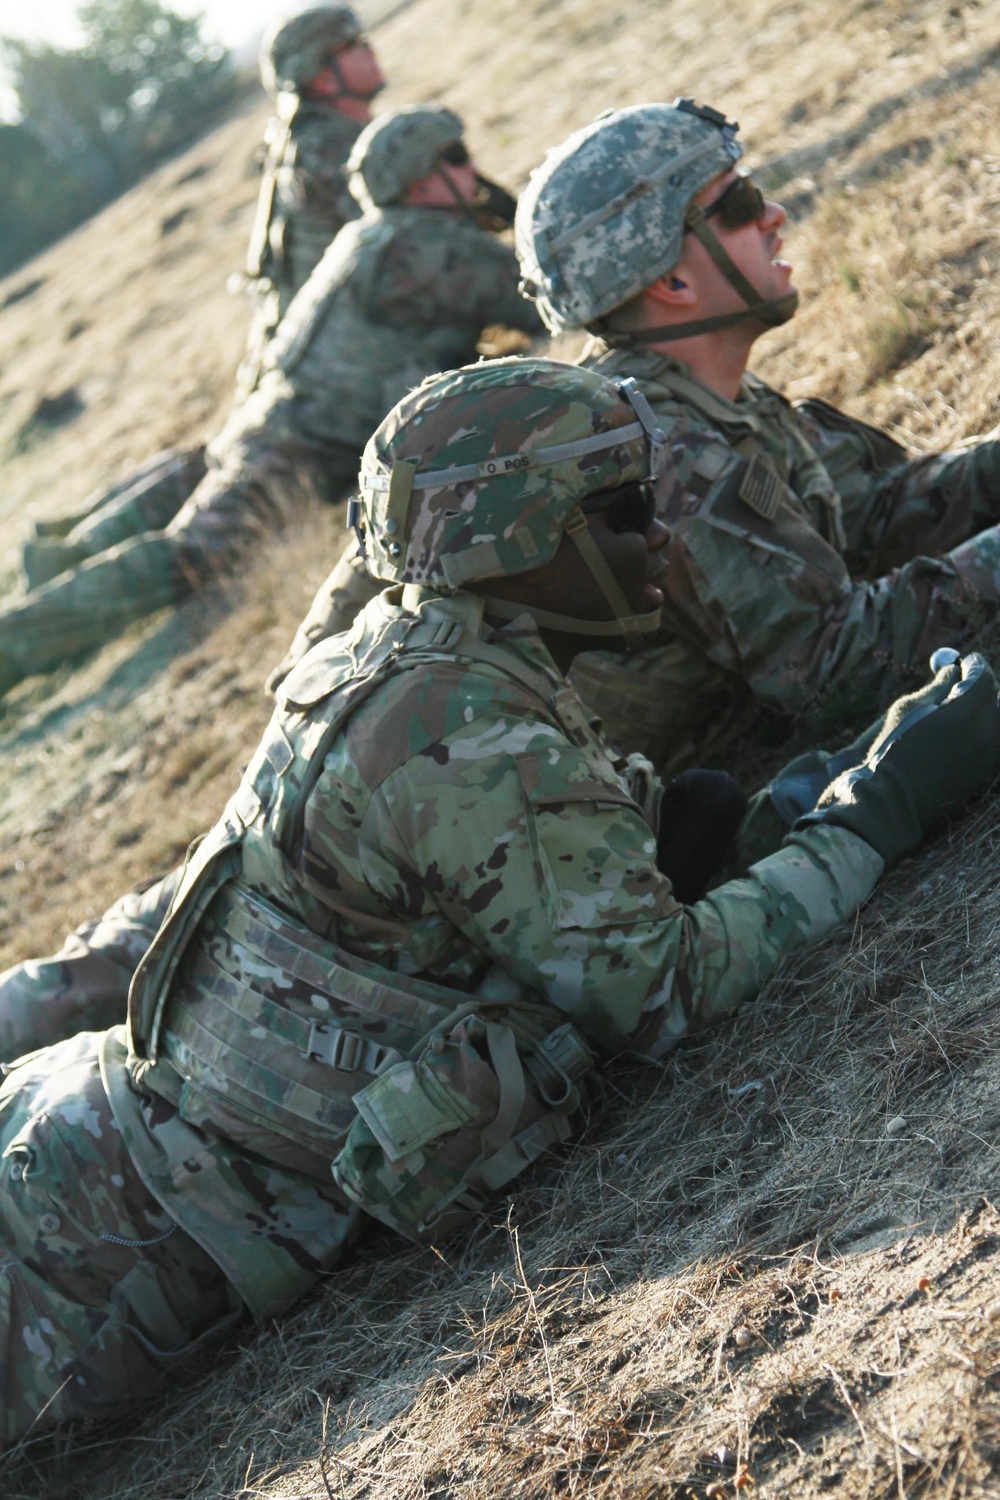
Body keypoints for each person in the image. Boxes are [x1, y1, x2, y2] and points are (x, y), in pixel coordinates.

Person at [1, 356, 998, 1446]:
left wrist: (830, 777)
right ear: (523, 546)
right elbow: (666, 990)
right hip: (96, 1251)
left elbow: (606, 867)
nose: (663, 535)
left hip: (83, 1140)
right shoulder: (457, 724)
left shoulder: (435, 658)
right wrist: (876, 812)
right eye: (623, 512)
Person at [504, 99, 1000, 774]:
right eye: (740, 204)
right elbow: (838, 671)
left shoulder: (703, 397)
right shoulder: (658, 456)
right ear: (671, 280)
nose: (775, 216)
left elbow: (869, 514)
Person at [0, 105, 541, 698]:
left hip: (270, 416)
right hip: (301, 445)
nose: (472, 170)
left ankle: (56, 561)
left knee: (201, 475)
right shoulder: (434, 249)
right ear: (420, 181)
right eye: (456, 159)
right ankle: (13, 646)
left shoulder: (369, 232)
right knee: (193, 555)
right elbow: (539, 296)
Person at [21, 4, 387, 594]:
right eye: (352, 45)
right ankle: (67, 569)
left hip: (294, 348)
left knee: (217, 459)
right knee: (227, 489)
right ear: (323, 75)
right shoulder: (331, 149)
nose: (369, 50)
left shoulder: (303, 138)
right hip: (321, 363)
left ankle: (71, 547)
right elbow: (400, 245)